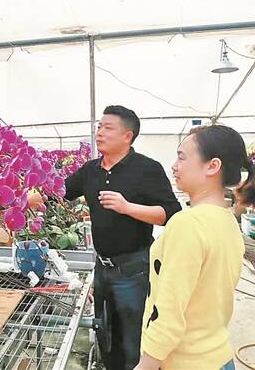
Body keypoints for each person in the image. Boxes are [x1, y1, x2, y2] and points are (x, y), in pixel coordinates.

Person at [135, 125, 255, 370]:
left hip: (184, 362)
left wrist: (146, 365)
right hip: (219, 356)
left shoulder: (187, 224)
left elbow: (169, 312)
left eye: (181, 157)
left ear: (212, 166)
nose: (174, 166)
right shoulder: (227, 221)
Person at [65, 105, 181, 370]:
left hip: (134, 268)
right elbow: (60, 191)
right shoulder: (91, 170)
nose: (99, 132)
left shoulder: (147, 169)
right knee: (105, 332)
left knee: (133, 339)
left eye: (108, 127)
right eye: (99, 127)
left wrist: (127, 207)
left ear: (127, 136)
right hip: (102, 268)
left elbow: (171, 213)